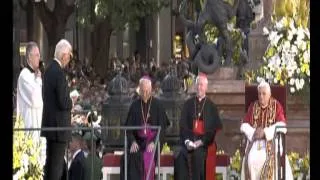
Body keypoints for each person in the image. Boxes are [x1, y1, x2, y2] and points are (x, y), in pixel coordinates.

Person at [240, 81, 293, 180]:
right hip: (255, 143)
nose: (261, 96)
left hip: (271, 141)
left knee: (268, 160)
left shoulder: (276, 106)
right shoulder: (253, 106)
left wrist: (265, 132)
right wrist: (253, 133)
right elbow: (244, 125)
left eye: (264, 94)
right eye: (259, 94)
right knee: (250, 160)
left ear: (269, 94)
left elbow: (282, 126)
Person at [174, 72, 222, 180]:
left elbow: (212, 131)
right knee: (180, 155)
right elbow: (183, 126)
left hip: (203, 143)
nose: (199, 87)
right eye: (198, 84)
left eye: (202, 85)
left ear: (206, 87)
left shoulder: (211, 107)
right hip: (188, 141)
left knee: (197, 155)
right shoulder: (188, 104)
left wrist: (201, 142)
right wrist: (187, 141)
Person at [120, 76, 170, 180]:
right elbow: (128, 128)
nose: (145, 93)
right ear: (140, 90)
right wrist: (133, 141)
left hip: (152, 142)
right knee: (132, 157)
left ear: (151, 90)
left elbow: (163, 128)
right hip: (138, 142)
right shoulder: (134, 105)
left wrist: (154, 142)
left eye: (147, 91)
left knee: (148, 156)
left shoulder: (158, 105)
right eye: (143, 91)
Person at [41, 39, 74, 180]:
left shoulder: (48, 70)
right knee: (56, 167)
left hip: (49, 125)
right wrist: (72, 100)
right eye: (69, 55)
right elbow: (63, 102)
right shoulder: (59, 73)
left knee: (50, 165)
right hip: (59, 128)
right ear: (63, 55)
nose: (69, 59)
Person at [16, 41, 43, 140]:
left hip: (37, 124)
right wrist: (38, 80)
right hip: (29, 125)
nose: (39, 58)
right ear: (29, 57)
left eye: (39, 55)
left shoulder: (34, 75)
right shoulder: (24, 75)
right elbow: (35, 99)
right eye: (36, 55)